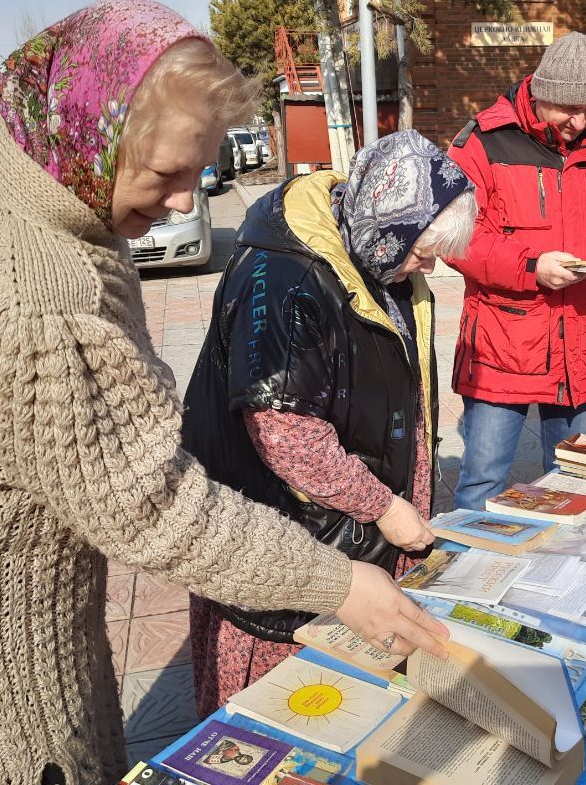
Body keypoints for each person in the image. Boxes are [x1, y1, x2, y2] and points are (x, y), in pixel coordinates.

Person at [0, 0, 446, 785]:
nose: (184, 202)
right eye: (167, 174)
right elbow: (153, 505)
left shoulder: (18, 143)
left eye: (199, 171)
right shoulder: (31, 293)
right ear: (92, 136)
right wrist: (338, 584)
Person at [182, 130, 477, 714]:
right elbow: (287, 435)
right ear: (386, 224)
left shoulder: (379, 264)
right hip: (288, 537)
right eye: (422, 247)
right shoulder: (290, 280)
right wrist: (387, 508)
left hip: (344, 534)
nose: (431, 263)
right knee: (274, 718)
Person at [446, 31, 586, 510]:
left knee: (578, 484)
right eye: (566, 106)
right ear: (539, 90)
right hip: (504, 343)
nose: (578, 121)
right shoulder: (484, 141)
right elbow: (456, 237)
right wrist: (530, 266)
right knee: (482, 484)